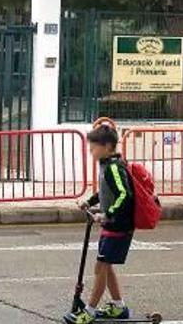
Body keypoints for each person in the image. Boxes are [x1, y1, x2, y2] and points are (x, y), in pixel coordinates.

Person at [67, 125, 135, 324]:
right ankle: (119, 306)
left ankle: (89, 311)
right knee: (106, 266)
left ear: (107, 146)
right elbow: (106, 192)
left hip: (119, 226)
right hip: (112, 225)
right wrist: (90, 203)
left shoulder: (114, 167)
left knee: (101, 268)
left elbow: (124, 195)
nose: (90, 151)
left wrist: (107, 214)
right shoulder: (107, 165)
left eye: (93, 147)